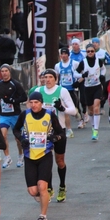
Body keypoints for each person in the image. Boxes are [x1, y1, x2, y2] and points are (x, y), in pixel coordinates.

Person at [13, 92, 65, 220]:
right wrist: (22, 138)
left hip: (45, 154)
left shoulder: (49, 115)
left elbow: (61, 132)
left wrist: (55, 138)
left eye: (37, 102)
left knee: (42, 186)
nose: (34, 105)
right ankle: (44, 198)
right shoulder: (25, 115)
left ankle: (43, 216)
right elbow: (16, 129)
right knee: (33, 191)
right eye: (32, 102)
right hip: (29, 155)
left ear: (41, 103)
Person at [35, 69, 75, 203]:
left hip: (59, 131)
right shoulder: (39, 91)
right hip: (43, 131)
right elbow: (32, 107)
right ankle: (49, 187)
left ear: (55, 79)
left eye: (50, 77)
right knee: (46, 161)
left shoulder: (62, 91)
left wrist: (62, 108)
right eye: (45, 77)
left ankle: (62, 186)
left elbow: (74, 110)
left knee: (59, 161)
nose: (48, 79)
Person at [0, 64, 27, 168]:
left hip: (15, 115)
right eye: (2, 71)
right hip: (4, 115)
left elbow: (24, 97)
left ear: (9, 72)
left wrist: (13, 101)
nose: (4, 73)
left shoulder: (15, 84)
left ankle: (21, 155)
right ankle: (7, 157)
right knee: (2, 135)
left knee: (18, 139)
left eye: (6, 71)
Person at [74, 44, 106, 141]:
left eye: (92, 51)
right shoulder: (83, 62)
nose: (90, 53)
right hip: (87, 88)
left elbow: (103, 68)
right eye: (88, 51)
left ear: (94, 52)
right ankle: (93, 127)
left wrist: (102, 75)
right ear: (86, 53)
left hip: (97, 87)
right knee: (91, 110)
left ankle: (96, 130)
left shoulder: (98, 61)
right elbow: (75, 73)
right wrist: (82, 75)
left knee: (96, 107)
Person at [54, 47, 82, 138]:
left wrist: (77, 83)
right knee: (64, 109)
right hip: (63, 90)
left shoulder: (74, 63)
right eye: (62, 54)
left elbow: (80, 74)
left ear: (68, 55)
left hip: (72, 89)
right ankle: (69, 129)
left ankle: (79, 117)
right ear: (60, 55)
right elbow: (57, 77)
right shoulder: (58, 65)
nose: (64, 55)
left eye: (65, 54)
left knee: (74, 107)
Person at [69, 38, 89, 127]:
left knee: (83, 98)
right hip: (74, 79)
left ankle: (85, 112)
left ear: (79, 45)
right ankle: (80, 118)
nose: (74, 46)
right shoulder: (69, 55)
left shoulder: (84, 53)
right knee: (75, 100)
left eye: (76, 44)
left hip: (83, 78)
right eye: (73, 44)